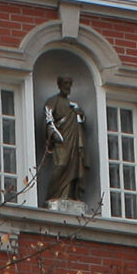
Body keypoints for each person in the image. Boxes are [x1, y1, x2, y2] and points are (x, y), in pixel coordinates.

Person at [39, 74, 90, 207]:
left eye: (69, 84)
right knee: (61, 165)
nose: (68, 86)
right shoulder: (52, 101)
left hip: (74, 139)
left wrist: (80, 115)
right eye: (65, 83)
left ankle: (70, 195)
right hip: (61, 141)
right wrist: (53, 134)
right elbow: (48, 119)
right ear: (60, 84)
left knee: (74, 165)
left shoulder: (73, 105)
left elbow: (80, 122)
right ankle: (53, 195)